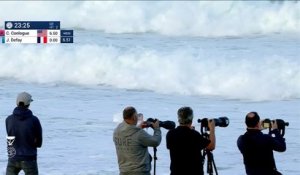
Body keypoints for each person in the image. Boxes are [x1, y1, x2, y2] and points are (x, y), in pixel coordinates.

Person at [166, 106, 216, 175]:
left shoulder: (170, 134)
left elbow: (183, 141)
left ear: (178, 119)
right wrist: (212, 129)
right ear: (191, 119)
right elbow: (211, 146)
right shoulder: (195, 135)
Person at [113, 106, 162, 175]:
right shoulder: (139, 133)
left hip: (124, 171)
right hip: (140, 172)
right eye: (137, 115)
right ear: (134, 117)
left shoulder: (116, 131)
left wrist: (139, 127)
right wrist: (157, 129)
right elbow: (155, 142)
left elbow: (131, 135)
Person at [5, 92, 43, 175]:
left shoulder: (8, 119)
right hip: (29, 158)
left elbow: (10, 138)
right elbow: (39, 143)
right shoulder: (34, 120)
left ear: (17, 103)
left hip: (13, 157)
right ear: (28, 104)